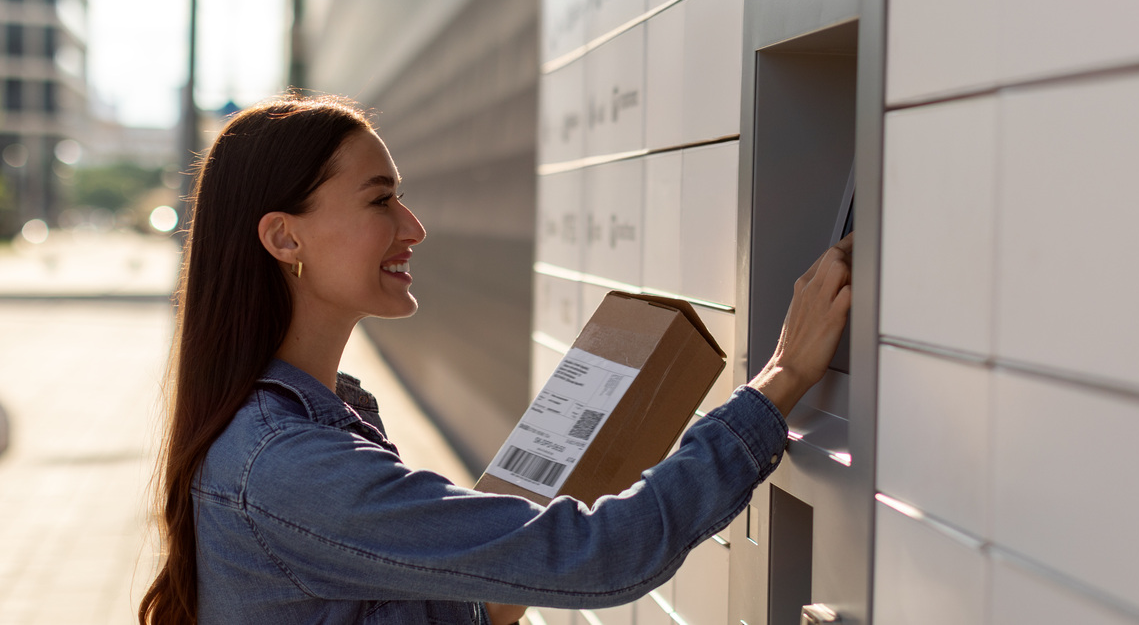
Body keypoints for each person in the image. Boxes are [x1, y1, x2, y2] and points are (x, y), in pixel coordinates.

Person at [139, 94, 852, 625]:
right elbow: (605, 554)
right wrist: (780, 380)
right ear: (284, 239)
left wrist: (501, 569)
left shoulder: (318, 424)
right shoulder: (289, 463)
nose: (413, 227)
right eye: (381, 199)